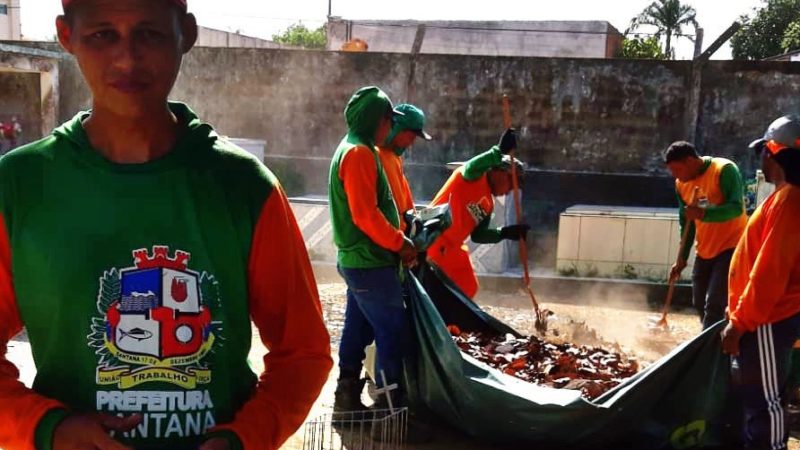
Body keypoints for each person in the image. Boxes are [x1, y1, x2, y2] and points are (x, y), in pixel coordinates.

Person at [0, 1, 332, 449]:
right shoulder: (18, 188)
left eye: (150, 34)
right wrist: (46, 427)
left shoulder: (245, 188)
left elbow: (304, 353)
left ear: (186, 35)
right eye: (103, 35)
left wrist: (243, 438)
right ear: (66, 36)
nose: (127, 58)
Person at [328, 86, 418, 412]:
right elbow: (365, 214)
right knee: (393, 332)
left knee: (358, 326)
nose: (389, 128)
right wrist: (400, 242)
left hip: (362, 261)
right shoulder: (359, 154)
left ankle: (346, 395)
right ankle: (388, 408)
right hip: (369, 261)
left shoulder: (357, 147)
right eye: (387, 121)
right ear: (375, 121)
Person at [721, 115, 800, 450]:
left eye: (762, 154)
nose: (761, 162)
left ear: (773, 152)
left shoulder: (790, 201)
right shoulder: (785, 197)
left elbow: (769, 273)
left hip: (767, 319)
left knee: (764, 401)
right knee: (756, 396)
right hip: (763, 316)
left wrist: (740, 322)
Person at [425, 129, 530, 300]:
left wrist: (505, 232)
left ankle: (453, 323)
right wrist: (499, 149)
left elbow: (479, 235)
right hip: (434, 238)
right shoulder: (472, 175)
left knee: (469, 286)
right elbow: (476, 164)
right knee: (438, 291)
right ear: (501, 173)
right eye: (510, 187)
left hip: (453, 247)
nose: (507, 193)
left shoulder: (488, 203)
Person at [664, 141, 747, 330]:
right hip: (704, 250)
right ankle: (713, 340)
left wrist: (703, 214)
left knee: (715, 304)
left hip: (731, 247)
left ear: (690, 161)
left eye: (677, 170)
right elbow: (686, 223)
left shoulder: (724, 170)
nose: (675, 176)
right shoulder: (681, 185)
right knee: (699, 301)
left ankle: (708, 351)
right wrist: (682, 258)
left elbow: (735, 208)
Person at [377, 103, 432, 229]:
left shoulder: (395, 158)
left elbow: (405, 200)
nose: (412, 142)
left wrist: (416, 224)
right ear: (399, 129)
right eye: (411, 136)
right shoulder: (375, 156)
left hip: (400, 236)